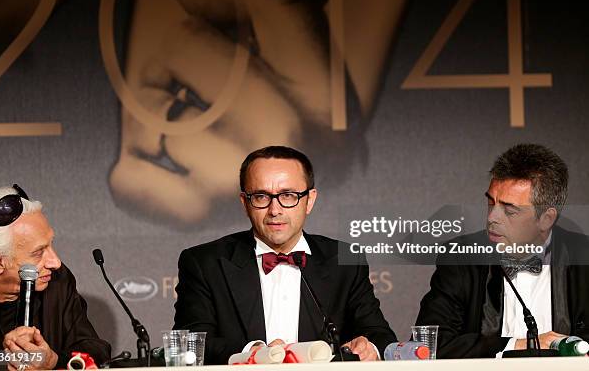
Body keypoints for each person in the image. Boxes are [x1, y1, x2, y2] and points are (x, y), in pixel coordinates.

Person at [174, 146, 397, 364]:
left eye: (288, 196)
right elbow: (192, 343)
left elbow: (379, 335)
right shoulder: (205, 263)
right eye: (261, 196)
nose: (275, 210)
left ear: (309, 200)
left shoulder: (345, 260)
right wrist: (253, 354)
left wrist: (370, 347)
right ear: (245, 203)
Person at [415, 143, 589, 358]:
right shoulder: (461, 256)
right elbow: (430, 343)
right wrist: (520, 344)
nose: (492, 218)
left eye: (509, 210)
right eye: (491, 202)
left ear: (546, 219)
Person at [0, 185, 111, 370]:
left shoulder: (57, 280)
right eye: (38, 252)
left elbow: (95, 350)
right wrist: (5, 359)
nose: (55, 262)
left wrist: (53, 361)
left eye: (51, 244)